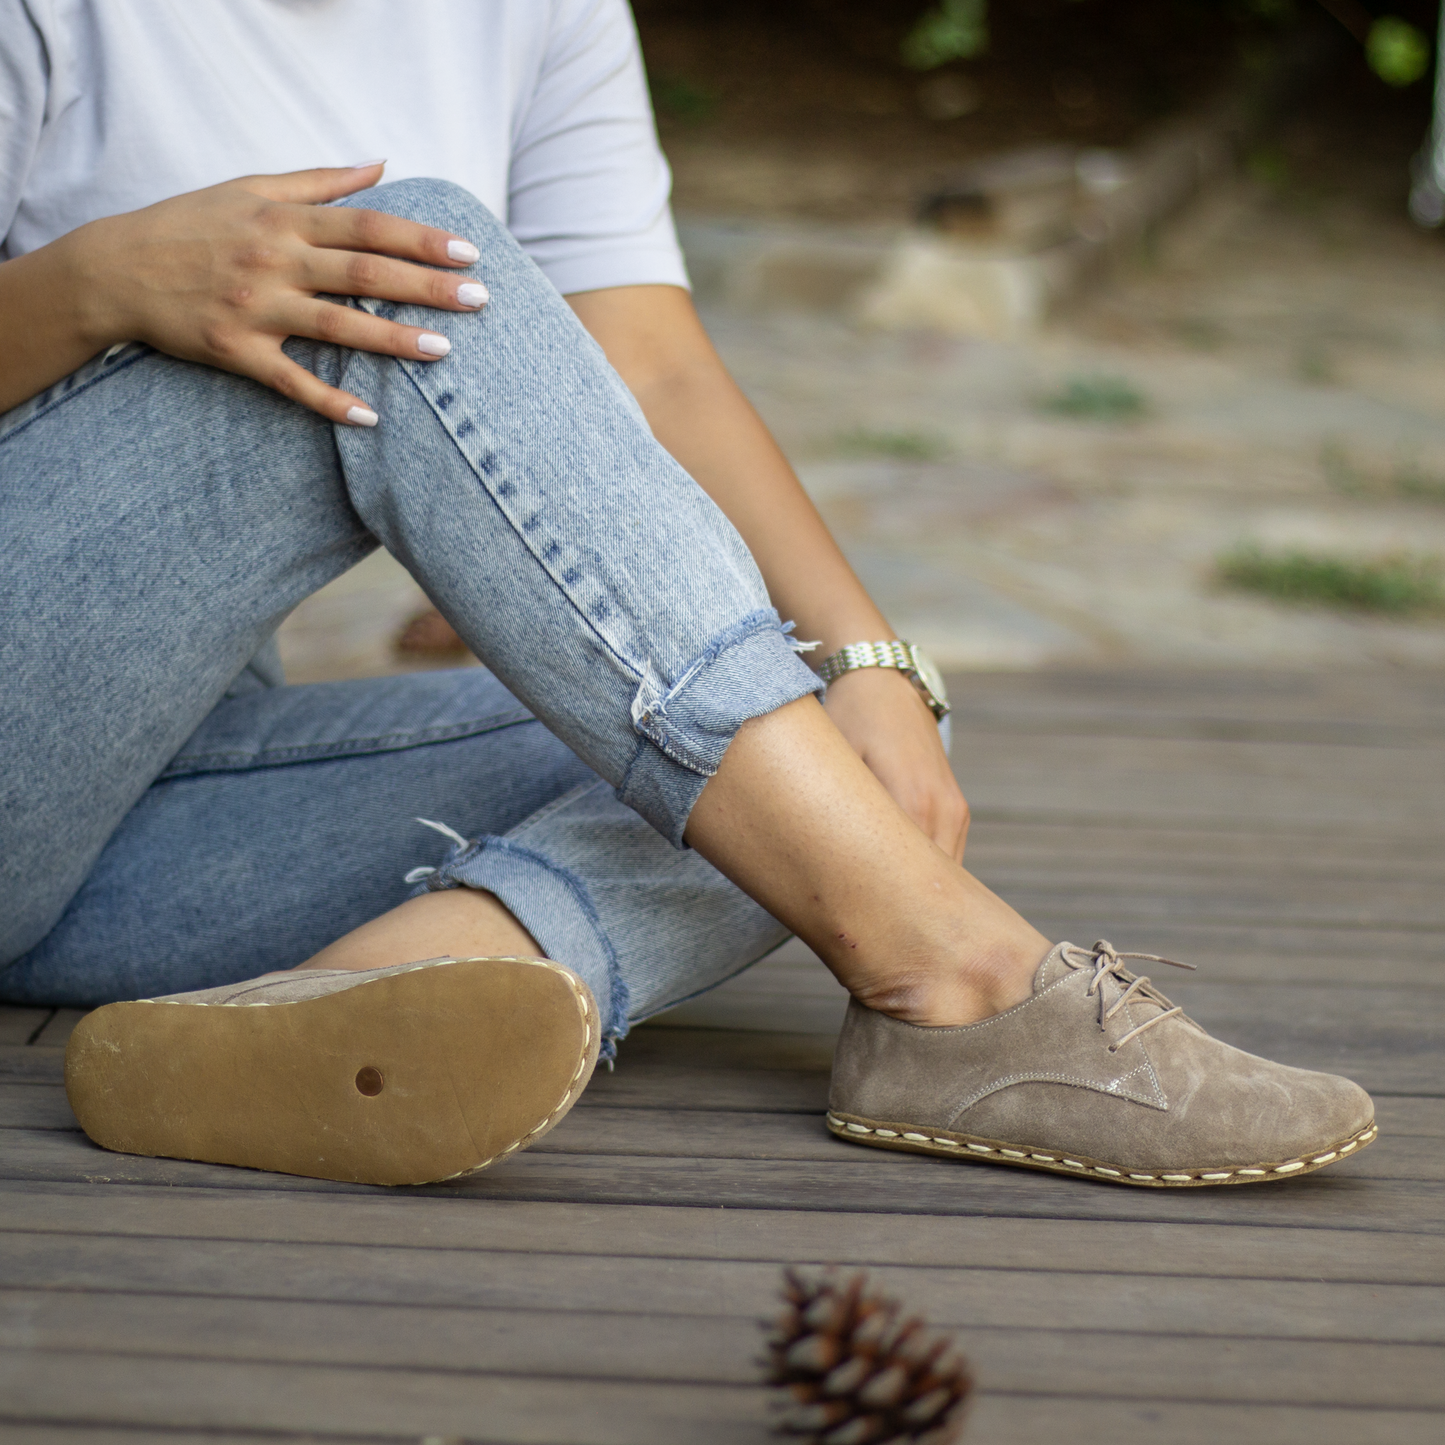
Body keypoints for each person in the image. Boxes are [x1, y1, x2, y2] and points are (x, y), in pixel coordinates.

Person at [1, 0, 1374, 1190]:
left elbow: (650, 369)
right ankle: (956, 981)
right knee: (399, 250)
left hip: (118, 815)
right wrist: (95, 285)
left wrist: (872, 661)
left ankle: (354, 997)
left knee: (839, 762)